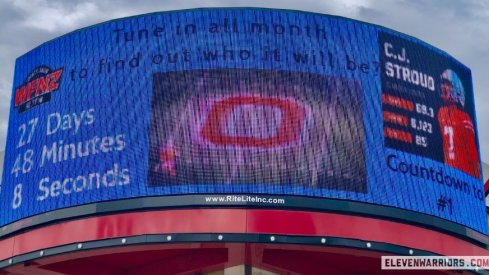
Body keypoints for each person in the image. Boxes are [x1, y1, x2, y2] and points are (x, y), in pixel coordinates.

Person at [437, 69, 480, 178]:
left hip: (462, 177)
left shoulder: (464, 118)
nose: (443, 87)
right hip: (449, 175)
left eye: (447, 84)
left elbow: (473, 157)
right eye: (442, 83)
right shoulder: (441, 112)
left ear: (456, 87)